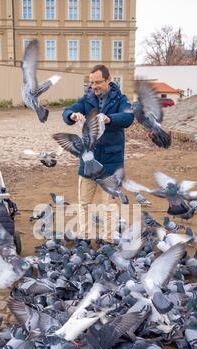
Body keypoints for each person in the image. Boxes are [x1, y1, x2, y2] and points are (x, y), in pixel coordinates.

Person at [62, 64, 134, 243]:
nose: (94, 86)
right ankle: (85, 238)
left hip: (111, 162)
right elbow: (67, 111)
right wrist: (72, 115)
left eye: (98, 82)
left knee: (108, 205)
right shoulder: (86, 99)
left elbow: (128, 117)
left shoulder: (120, 99)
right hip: (89, 160)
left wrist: (110, 119)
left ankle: (108, 240)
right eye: (91, 82)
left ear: (109, 80)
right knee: (84, 203)